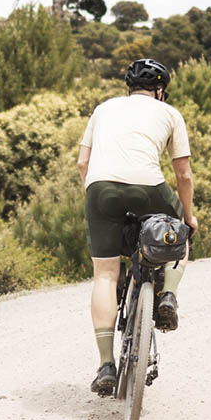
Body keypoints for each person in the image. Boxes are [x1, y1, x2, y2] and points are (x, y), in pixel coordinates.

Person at [78, 58, 198, 397]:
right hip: (149, 187)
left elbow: (82, 163)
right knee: (180, 234)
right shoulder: (170, 113)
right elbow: (184, 175)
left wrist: (97, 198)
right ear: (160, 90)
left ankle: (105, 365)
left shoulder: (103, 109)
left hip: (99, 188)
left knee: (104, 275)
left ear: (129, 88)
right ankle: (169, 296)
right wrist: (188, 217)